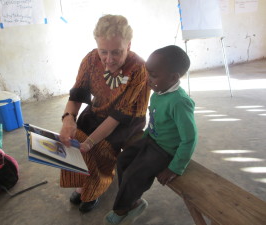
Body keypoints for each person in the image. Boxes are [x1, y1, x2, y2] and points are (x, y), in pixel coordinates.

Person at [59, 14, 150, 213]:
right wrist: (68, 120)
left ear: (129, 45)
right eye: (103, 52)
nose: (108, 60)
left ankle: (95, 188)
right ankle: (83, 182)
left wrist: (90, 142)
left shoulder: (138, 69)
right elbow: (77, 95)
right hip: (98, 109)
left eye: (116, 52)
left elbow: (117, 117)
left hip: (127, 119)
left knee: (100, 148)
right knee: (73, 138)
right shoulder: (91, 59)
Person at [103, 45, 198, 225]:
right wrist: (145, 137)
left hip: (166, 150)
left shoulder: (179, 102)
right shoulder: (158, 92)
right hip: (152, 139)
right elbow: (155, 120)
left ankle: (122, 209)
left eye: (153, 75)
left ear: (173, 77)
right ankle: (132, 200)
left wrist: (174, 168)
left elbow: (190, 138)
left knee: (134, 174)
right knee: (123, 160)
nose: (148, 78)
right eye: (148, 72)